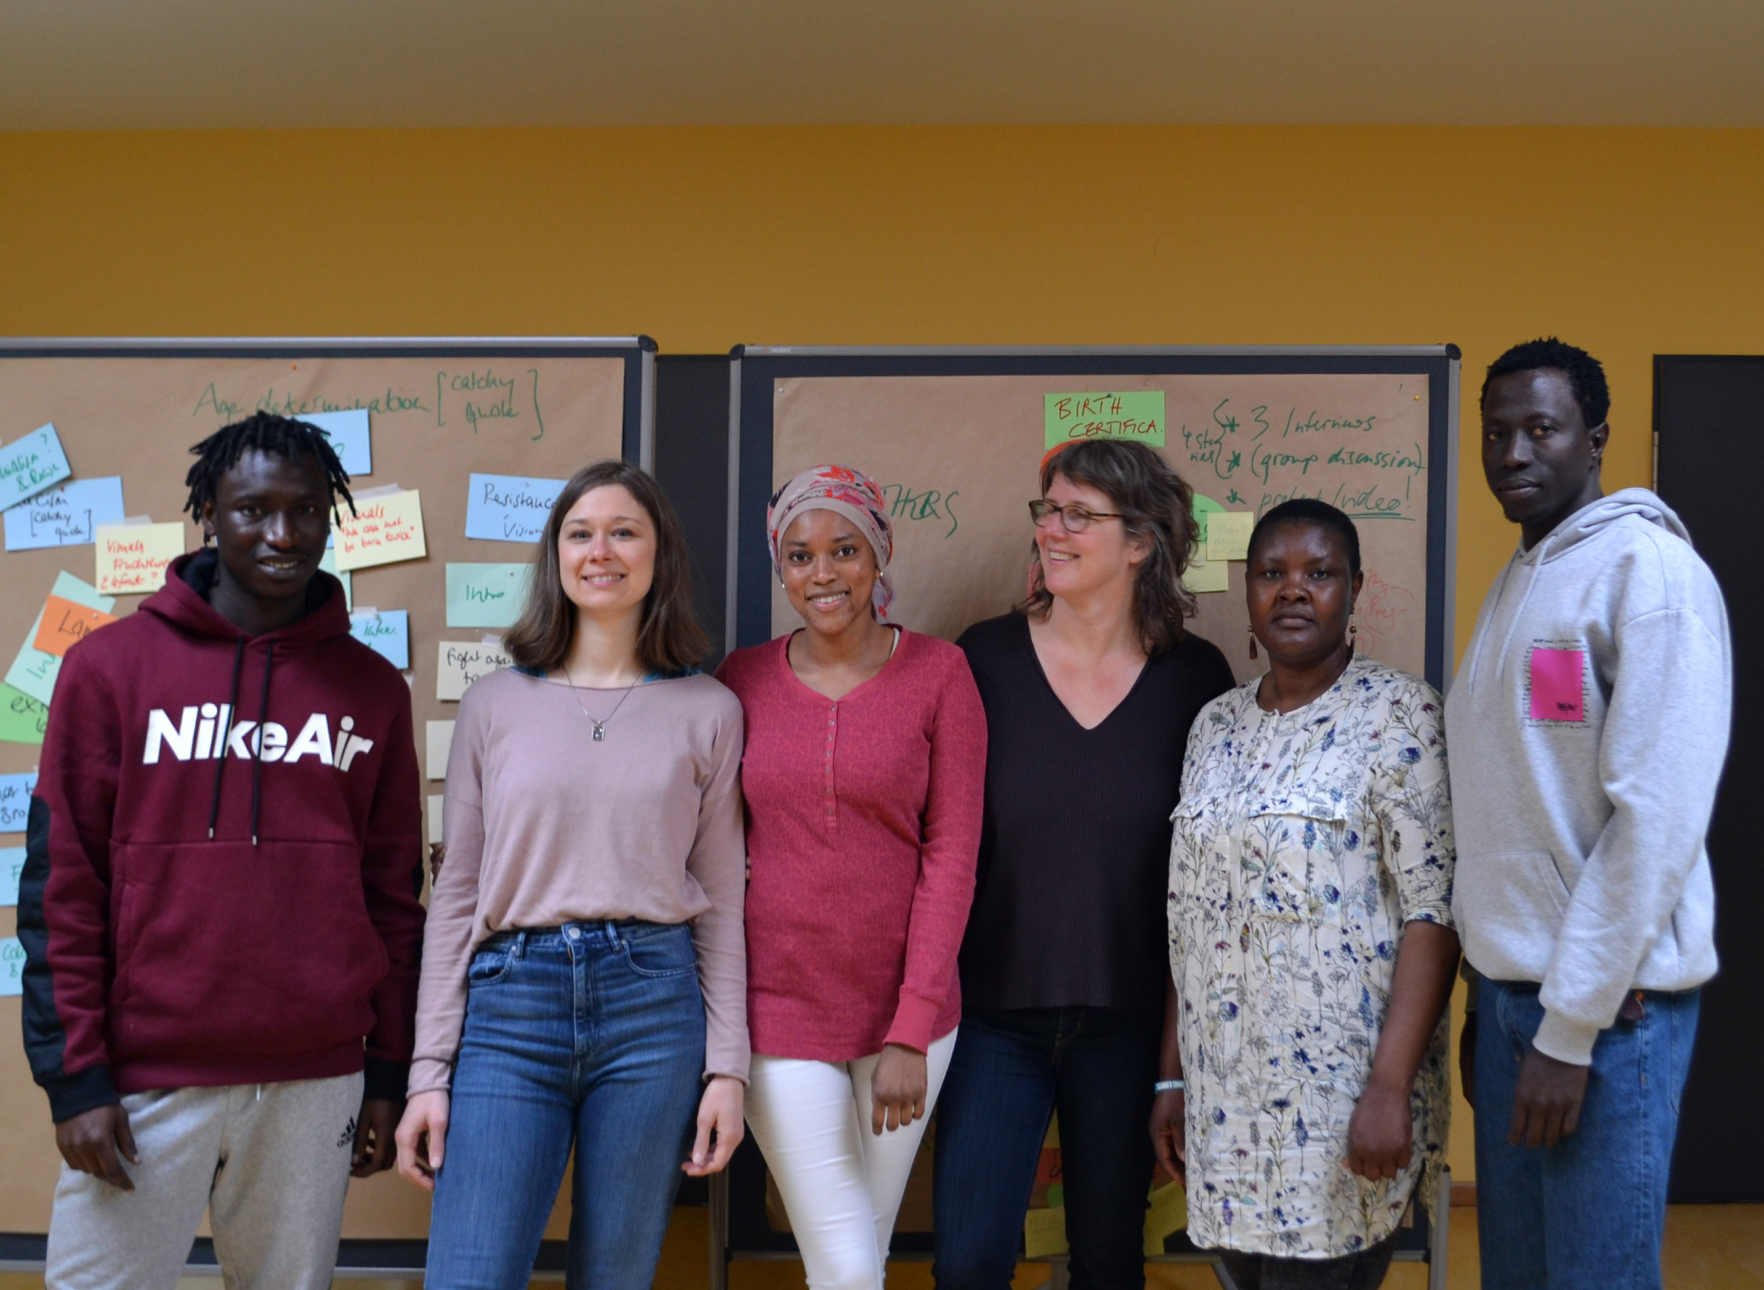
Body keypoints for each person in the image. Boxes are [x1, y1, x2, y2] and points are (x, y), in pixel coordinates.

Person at [19, 412, 425, 1290]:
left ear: (330, 516)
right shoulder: (109, 669)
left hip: (315, 1078)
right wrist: (75, 1079)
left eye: (307, 510)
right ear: (208, 511)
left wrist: (386, 1071)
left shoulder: (371, 690)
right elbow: (63, 885)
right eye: (254, 510)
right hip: (141, 1078)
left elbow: (394, 897)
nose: (283, 535)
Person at [396, 459, 747, 1290]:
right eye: (580, 533)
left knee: (616, 1277)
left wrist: (727, 1067)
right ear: (555, 556)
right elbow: (456, 898)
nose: (601, 551)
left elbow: (725, 902)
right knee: (469, 1277)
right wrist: (428, 1073)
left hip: (653, 1009)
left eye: (624, 531)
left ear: (660, 555)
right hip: (510, 1007)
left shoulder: (709, 710)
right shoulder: (493, 705)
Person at [1448, 339, 1730, 1290]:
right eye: (1496, 433)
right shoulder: (1519, 580)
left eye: (1540, 429)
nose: (1514, 453)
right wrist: (1487, 990)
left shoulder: (1650, 575)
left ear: (1597, 437)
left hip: (1609, 1019)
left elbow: (1655, 818)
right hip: (1514, 999)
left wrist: (1569, 1030)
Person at [933, 440, 1235, 1290]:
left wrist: (1177, 1058)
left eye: (1078, 516)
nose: (1052, 532)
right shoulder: (981, 659)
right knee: (966, 1261)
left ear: (1140, 542)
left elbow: (1208, 872)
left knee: (1109, 1262)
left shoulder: (1197, 678)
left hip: (1131, 1022)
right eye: (1047, 512)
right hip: (991, 1016)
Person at [1153, 499, 1460, 1290]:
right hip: (1225, 1111)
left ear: (1354, 588)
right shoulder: (1213, 727)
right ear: (1248, 593)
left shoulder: (1402, 714)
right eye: (1273, 574)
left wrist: (1389, 1089)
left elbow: (1433, 914)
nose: (1294, 591)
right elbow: (1189, 921)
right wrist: (1171, 1078)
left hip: (1342, 1112)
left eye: (1318, 573)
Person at [717, 465, 985, 1290]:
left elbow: (953, 856)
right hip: (779, 1008)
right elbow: (718, 860)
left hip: (910, 1018)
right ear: (780, 564)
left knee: (856, 1246)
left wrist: (909, 1029)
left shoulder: (941, 675)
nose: (823, 574)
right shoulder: (742, 680)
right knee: (843, 1261)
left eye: (844, 550)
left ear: (879, 555)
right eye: (800, 556)